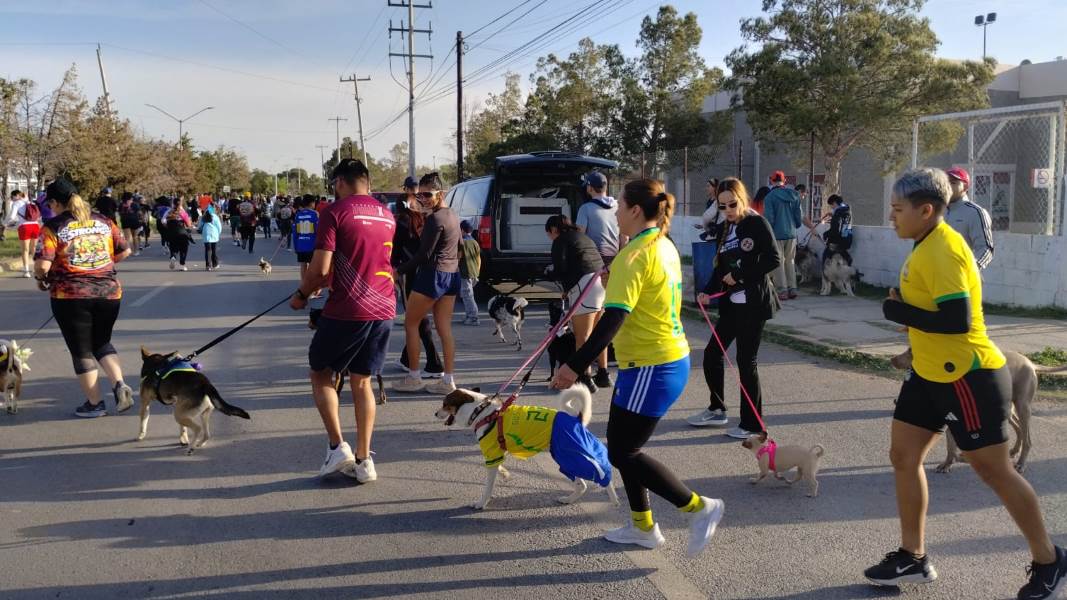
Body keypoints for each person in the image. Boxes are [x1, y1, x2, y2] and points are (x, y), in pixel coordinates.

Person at [863, 168, 1066, 599]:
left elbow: (957, 320)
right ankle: (913, 557)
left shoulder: (944, 249)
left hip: (966, 376)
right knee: (903, 456)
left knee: (995, 471)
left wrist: (899, 313)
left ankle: (1050, 559)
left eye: (898, 209)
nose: (891, 216)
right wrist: (908, 308)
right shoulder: (924, 243)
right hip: (928, 372)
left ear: (926, 210)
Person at [550, 178, 723, 556]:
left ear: (634, 210)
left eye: (620, 204)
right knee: (622, 447)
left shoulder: (633, 255)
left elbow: (612, 320)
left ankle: (699, 508)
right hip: (651, 362)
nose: (614, 212)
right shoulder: (660, 244)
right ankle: (642, 527)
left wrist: (574, 366)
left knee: (623, 452)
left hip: (652, 364)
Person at [289, 158, 394, 483]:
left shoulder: (335, 212)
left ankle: (337, 447)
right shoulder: (386, 214)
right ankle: (364, 460)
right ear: (366, 180)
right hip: (384, 307)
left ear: (339, 182)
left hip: (349, 307)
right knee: (362, 380)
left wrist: (301, 295)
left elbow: (320, 268)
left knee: (320, 372)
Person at [688, 178, 781, 436]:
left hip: (754, 303)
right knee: (711, 354)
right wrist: (707, 290)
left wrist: (740, 276)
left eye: (732, 204)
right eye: (722, 206)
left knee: (746, 362)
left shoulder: (757, 223)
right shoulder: (725, 227)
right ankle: (717, 409)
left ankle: (752, 424)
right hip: (731, 305)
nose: (728, 210)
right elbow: (720, 267)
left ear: (742, 199)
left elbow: (774, 259)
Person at [33, 179, 134, 418]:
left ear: (55, 203)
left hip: (71, 295)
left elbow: (43, 264)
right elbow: (125, 250)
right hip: (109, 292)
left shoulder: (53, 227)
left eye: (50, 204)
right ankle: (119, 384)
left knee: (81, 351)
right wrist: (100, 265)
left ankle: (95, 403)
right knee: (102, 342)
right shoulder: (103, 221)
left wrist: (41, 278)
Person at [393, 172, 461, 394]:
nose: (423, 198)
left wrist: (398, 270)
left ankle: (414, 377)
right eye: (420, 194)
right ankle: (448, 380)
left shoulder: (434, 219)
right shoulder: (453, 215)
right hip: (452, 275)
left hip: (433, 275)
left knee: (411, 324)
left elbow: (424, 255)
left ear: (441, 194)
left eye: (427, 194)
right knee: (444, 328)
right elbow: (460, 248)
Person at [545, 214, 605, 392]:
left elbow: (560, 269)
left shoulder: (560, 241)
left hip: (584, 287)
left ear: (553, 229)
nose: (550, 237)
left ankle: (585, 378)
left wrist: (548, 273)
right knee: (599, 334)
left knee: (582, 337)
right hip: (601, 283)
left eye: (549, 234)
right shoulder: (583, 237)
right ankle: (603, 374)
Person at [392, 178, 444, 377]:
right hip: (432, 272)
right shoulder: (427, 220)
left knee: (415, 320)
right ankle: (407, 359)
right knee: (418, 318)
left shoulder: (402, 224)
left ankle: (434, 363)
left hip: (410, 272)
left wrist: (395, 271)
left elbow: (395, 252)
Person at [944, 167, 994, 269]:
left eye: (953, 183)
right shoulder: (938, 211)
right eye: (946, 182)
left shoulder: (975, 212)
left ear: (965, 187)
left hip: (959, 275)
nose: (948, 186)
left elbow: (986, 249)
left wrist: (971, 269)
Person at [763, 171, 802, 300]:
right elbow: (798, 216)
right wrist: (795, 225)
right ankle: (792, 288)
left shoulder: (769, 197)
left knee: (778, 262)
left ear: (772, 181)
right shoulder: (794, 195)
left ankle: (782, 290)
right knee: (790, 261)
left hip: (776, 234)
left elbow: (769, 218)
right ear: (784, 181)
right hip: (791, 233)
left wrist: (767, 233)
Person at [4, 189, 39, 277]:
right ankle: (36, 268)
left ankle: (26, 271)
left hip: (24, 227)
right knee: (34, 248)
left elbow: (12, 217)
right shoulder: (30, 202)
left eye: (12, 197)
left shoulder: (16, 203)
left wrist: (5, 223)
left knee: (25, 250)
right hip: (35, 226)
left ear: (16, 196)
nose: (12, 199)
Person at [458, 220, 481, 326]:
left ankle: (473, 317)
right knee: (468, 295)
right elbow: (478, 258)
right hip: (474, 272)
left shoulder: (462, 242)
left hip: (465, 272)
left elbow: (458, 257)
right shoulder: (475, 242)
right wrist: (477, 271)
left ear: (462, 230)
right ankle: (469, 315)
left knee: (467, 296)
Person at [822, 194, 853, 266]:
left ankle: (825, 273)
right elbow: (842, 223)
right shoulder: (847, 210)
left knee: (826, 257)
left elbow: (835, 229)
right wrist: (833, 215)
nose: (831, 208)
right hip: (847, 239)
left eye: (831, 205)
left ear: (834, 203)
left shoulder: (838, 212)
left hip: (837, 240)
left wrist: (826, 234)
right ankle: (848, 261)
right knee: (841, 253)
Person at [293, 195, 319, 279]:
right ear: (312, 203)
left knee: (303, 265)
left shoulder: (298, 215)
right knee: (313, 265)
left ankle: (303, 283)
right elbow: (318, 231)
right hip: (312, 245)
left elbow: (295, 233)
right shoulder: (315, 214)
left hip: (300, 244)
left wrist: (296, 247)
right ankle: (310, 283)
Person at [165, 198, 193, 271]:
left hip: (172, 233)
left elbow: (163, 221)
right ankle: (182, 265)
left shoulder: (169, 212)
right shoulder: (183, 212)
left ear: (173, 203)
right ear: (180, 204)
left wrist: (169, 226)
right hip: (182, 233)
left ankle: (173, 257)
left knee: (173, 246)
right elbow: (188, 224)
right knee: (183, 249)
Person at [118, 192, 143, 256]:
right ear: (131, 197)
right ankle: (136, 251)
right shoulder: (135, 204)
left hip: (125, 221)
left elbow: (120, 213)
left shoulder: (121, 204)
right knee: (135, 236)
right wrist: (141, 219)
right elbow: (140, 213)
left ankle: (130, 251)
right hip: (134, 221)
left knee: (128, 238)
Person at [198, 203, 221, 270]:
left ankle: (208, 265)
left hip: (206, 234)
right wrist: (218, 233)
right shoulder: (215, 216)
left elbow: (200, 226)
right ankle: (215, 264)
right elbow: (219, 227)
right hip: (214, 235)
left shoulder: (204, 217)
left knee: (208, 250)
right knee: (214, 250)